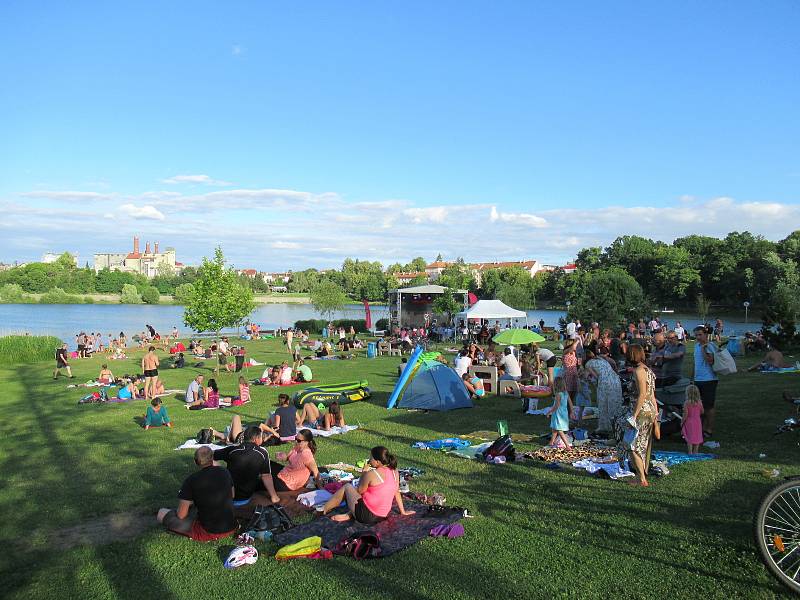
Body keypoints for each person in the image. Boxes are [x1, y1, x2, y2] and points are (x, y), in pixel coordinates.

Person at [157, 446, 237, 541]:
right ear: (212, 459)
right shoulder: (225, 472)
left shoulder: (191, 480)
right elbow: (232, 495)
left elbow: (181, 515)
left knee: (161, 513)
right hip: (231, 526)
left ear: (195, 462)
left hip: (209, 532)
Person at [321, 446, 414, 523]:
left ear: (377, 461)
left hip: (367, 515)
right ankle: (349, 514)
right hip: (382, 515)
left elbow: (359, 491)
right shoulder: (394, 471)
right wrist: (403, 511)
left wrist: (364, 473)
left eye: (371, 458)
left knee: (347, 487)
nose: (369, 460)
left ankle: (323, 510)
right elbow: (396, 491)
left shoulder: (372, 474)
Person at [213, 426, 281, 506]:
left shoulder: (232, 450)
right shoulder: (262, 453)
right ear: (256, 439)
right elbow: (266, 475)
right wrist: (274, 496)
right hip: (246, 497)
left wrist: (218, 469)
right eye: (261, 437)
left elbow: (210, 455)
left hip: (227, 496)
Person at [625, 344, 658, 487]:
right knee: (642, 444)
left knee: (633, 445)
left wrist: (633, 416)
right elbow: (652, 396)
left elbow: (643, 394)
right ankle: (641, 474)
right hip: (650, 410)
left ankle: (641, 478)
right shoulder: (648, 370)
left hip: (642, 411)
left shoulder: (638, 371)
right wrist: (656, 415)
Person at [584, 349, 623, 435]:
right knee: (614, 402)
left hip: (604, 381)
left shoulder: (588, 364)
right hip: (615, 379)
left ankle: (604, 426)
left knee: (603, 404)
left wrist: (586, 377)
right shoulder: (600, 359)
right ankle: (615, 425)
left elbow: (593, 376)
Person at [692, 325, 718, 437]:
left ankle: (709, 429)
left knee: (709, 406)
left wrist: (703, 348)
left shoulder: (710, 346)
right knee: (699, 406)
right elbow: (695, 363)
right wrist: (692, 378)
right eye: (696, 335)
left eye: (700, 335)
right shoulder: (696, 346)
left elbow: (710, 361)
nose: (698, 337)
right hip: (698, 379)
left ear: (706, 335)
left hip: (709, 379)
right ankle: (701, 427)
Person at [547, 376, 573, 448]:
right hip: (564, 413)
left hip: (558, 413)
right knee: (554, 428)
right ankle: (551, 442)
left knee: (559, 429)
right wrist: (572, 412)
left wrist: (550, 411)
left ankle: (567, 445)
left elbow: (557, 405)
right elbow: (570, 403)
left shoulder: (558, 394)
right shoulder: (565, 393)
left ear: (556, 385)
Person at [681, 384, 704, 454]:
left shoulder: (686, 403)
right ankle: (695, 452)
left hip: (689, 421)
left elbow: (686, 414)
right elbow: (702, 411)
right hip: (697, 421)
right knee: (697, 436)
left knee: (690, 437)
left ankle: (690, 452)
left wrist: (682, 421)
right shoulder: (699, 402)